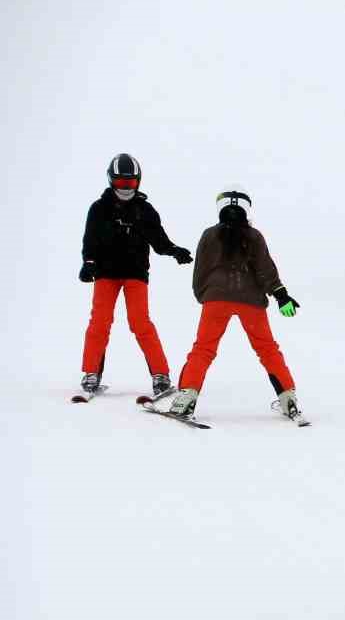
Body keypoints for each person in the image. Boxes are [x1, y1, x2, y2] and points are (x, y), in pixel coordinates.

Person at [167, 191, 304, 423]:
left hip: (216, 299)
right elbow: (266, 270)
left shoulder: (210, 235)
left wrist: (205, 295)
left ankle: (185, 399)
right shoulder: (254, 236)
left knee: (203, 349)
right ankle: (287, 397)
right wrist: (281, 295)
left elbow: (200, 271)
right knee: (267, 349)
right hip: (251, 301)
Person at [78, 154, 191, 397]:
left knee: (140, 322)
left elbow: (159, 241)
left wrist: (174, 251)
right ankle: (91, 373)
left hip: (135, 274)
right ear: (111, 181)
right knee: (99, 321)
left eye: (130, 184)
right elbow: (90, 240)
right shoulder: (99, 209)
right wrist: (88, 263)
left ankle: (160, 375)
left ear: (138, 182)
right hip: (106, 274)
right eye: (121, 183)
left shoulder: (145, 210)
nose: (126, 188)